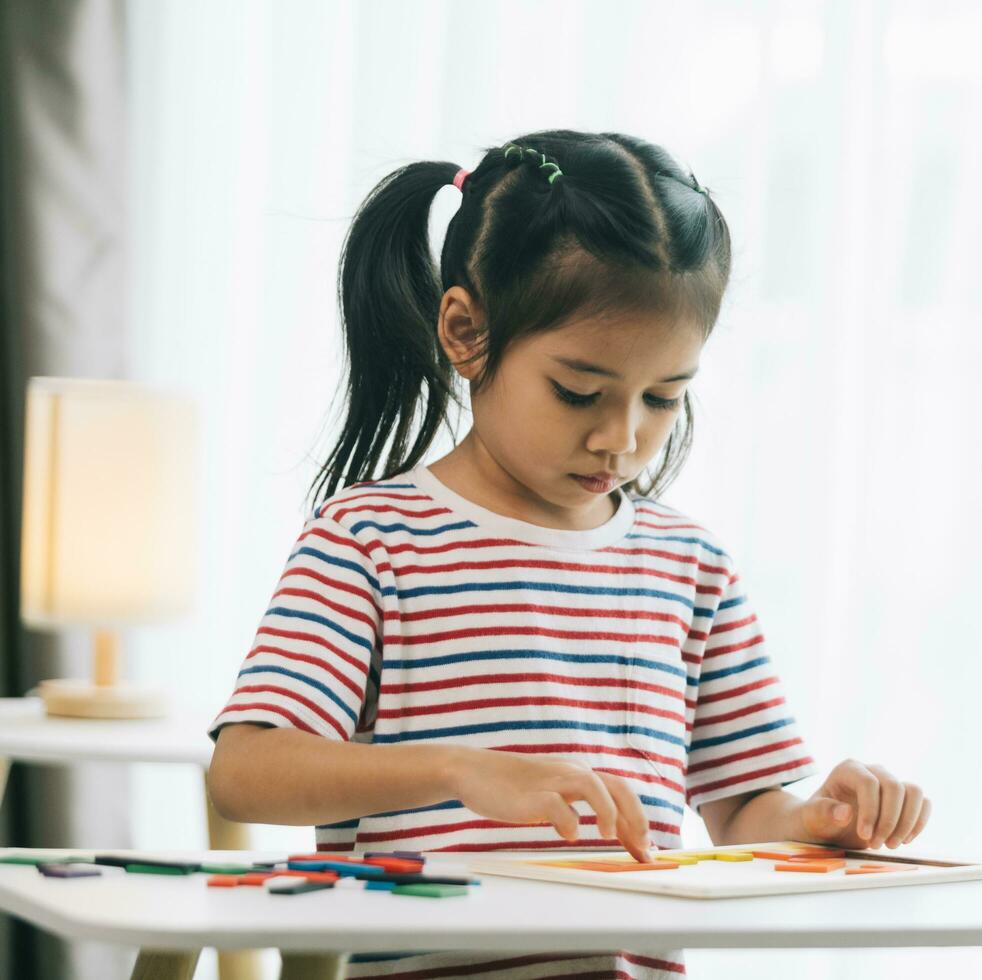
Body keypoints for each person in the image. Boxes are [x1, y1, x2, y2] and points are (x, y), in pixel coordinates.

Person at [207, 129, 932, 979]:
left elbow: (744, 811)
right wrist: (460, 770)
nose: (623, 438)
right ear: (466, 329)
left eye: (664, 397)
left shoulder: (689, 567)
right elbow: (246, 771)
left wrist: (819, 822)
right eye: (579, 391)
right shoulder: (370, 541)